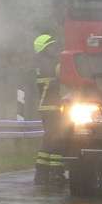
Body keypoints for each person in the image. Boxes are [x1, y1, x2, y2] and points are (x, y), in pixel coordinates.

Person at [26, 32, 66, 185]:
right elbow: (64, 73)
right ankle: (56, 174)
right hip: (53, 107)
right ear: (44, 48)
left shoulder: (41, 64)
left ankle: (41, 173)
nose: (53, 49)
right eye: (50, 46)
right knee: (57, 139)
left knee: (48, 138)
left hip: (46, 107)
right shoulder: (51, 64)